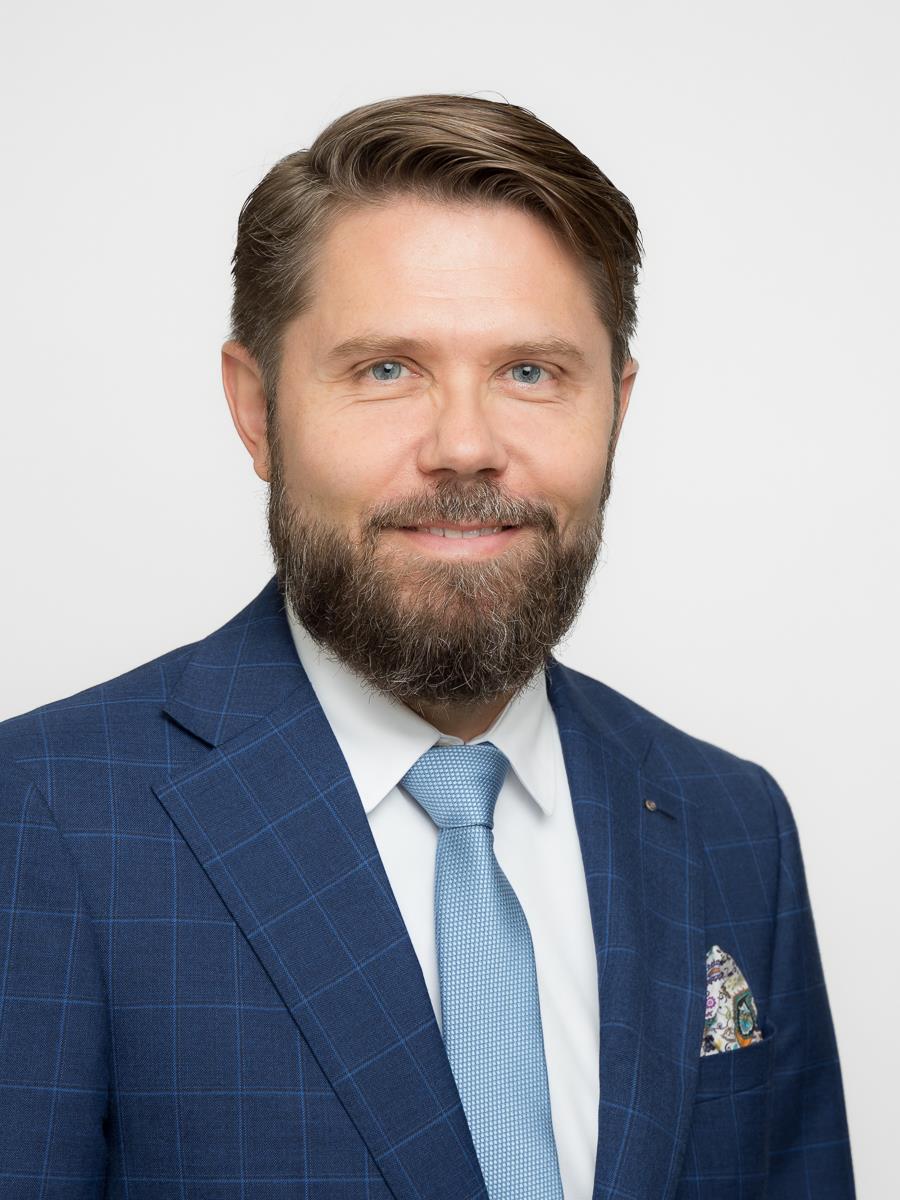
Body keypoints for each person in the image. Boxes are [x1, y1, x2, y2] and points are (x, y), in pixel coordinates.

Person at [0, 93, 855, 1199]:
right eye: (386, 369)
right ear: (257, 410)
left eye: (531, 371)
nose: (464, 446)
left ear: (617, 407)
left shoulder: (732, 823)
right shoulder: (44, 816)